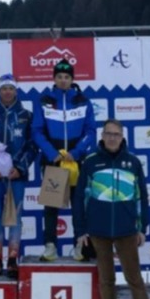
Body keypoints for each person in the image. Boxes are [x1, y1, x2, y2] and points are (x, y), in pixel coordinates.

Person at [73, 119, 150, 299]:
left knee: (135, 279)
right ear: (102, 136)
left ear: (122, 137)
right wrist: (81, 230)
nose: (112, 138)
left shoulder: (132, 162)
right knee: (106, 280)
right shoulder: (91, 162)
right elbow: (80, 198)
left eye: (116, 134)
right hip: (98, 231)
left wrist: (142, 227)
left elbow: (141, 196)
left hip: (126, 230)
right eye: (108, 134)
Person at [32, 59, 97, 260]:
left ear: (72, 79)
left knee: (79, 205)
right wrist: (52, 154)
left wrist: (76, 153)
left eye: (67, 77)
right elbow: (37, 131)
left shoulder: (82, 100)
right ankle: (50, 245)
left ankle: (80, 244)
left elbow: (91, 131)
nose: (63, 80)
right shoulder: (44, 100)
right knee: (51, 205)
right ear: (54, 78)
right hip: (54, 160)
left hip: (77, 161)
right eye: (59, 77)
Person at [0, 74, 35, 278]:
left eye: (10, 88)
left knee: (15, 217)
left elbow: (32, 146)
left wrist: (20, 168)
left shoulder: (26, 115)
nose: (7, 92)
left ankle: (12, 259)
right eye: (3, 88)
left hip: (16, 176)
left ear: (16, 91)